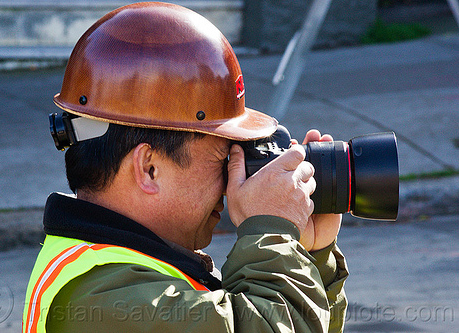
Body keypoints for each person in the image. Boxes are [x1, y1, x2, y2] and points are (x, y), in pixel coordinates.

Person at [23, 2, 348, 332]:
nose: (230, 182)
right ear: (149, 168)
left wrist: (312, 256)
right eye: (224, 159)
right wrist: (272, 231)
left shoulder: (130, 270)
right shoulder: (110, 300)